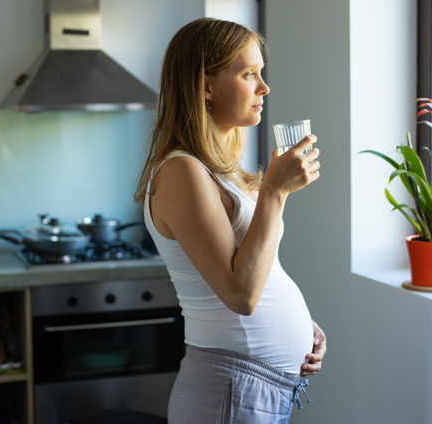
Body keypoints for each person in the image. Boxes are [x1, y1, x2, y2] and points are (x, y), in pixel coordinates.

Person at [134, 17, 327, 423]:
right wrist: (275, 191)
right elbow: (240, 294)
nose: (264, 87)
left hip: (252, 387)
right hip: (230, 389)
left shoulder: (219, 169)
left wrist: (301, 327)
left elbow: (260, 267)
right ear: (206, 86)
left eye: (261, 73)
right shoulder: (181, 171)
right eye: (249, 74)